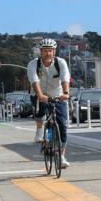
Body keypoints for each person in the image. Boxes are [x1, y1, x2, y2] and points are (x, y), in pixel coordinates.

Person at [27, 38, 71, 167]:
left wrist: (66, 93)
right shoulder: (33, 64)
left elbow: (65, 77)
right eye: (45, 50)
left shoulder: (60, 62)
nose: (48, 53)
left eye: (50, 50)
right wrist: (40, 95)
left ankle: (62, 156)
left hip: (57, 95)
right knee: (40, 109)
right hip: (39, 94)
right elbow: (34, 79)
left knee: (62, 125)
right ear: (40, 52)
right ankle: (40, 130)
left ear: (54, 51)